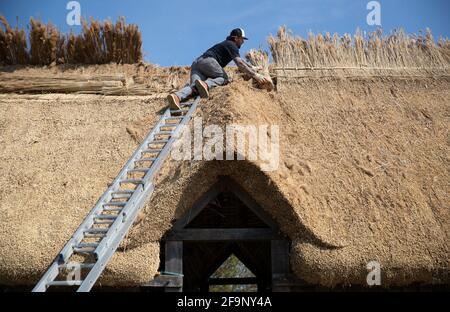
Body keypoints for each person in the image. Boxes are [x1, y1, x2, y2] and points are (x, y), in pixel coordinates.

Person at [166, 28, 270, 109]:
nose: (243, 42)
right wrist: (256, 75)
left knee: (195, 88)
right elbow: (239, 63)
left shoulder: (226, 44)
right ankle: (206, 84)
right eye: (242, 39)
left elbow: (242, 62)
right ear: (236, 38)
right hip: (208, 62)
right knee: (224, 78)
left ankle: (176, 96)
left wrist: (253, 67)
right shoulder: (232, 45)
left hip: (197, 63)